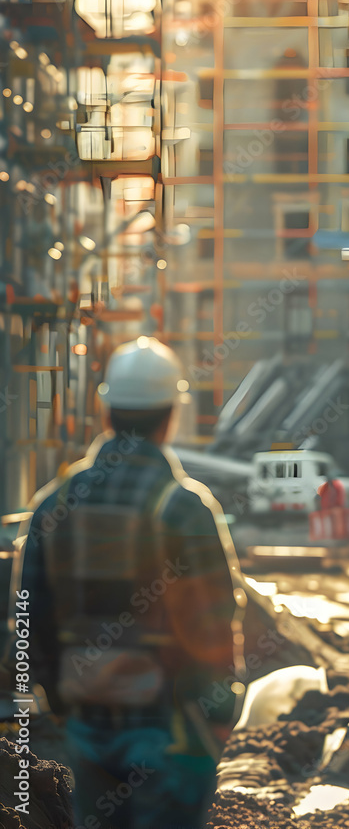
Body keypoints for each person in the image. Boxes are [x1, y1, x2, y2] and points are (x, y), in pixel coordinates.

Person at [9, 336, 245, 829]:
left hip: (88, 725)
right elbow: (217, 624)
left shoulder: (52, 506)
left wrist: (59, 703)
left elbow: (28, 619)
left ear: (106, 410)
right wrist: (220, 715)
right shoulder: (184, 508)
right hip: (174, 731)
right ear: (170, 415)